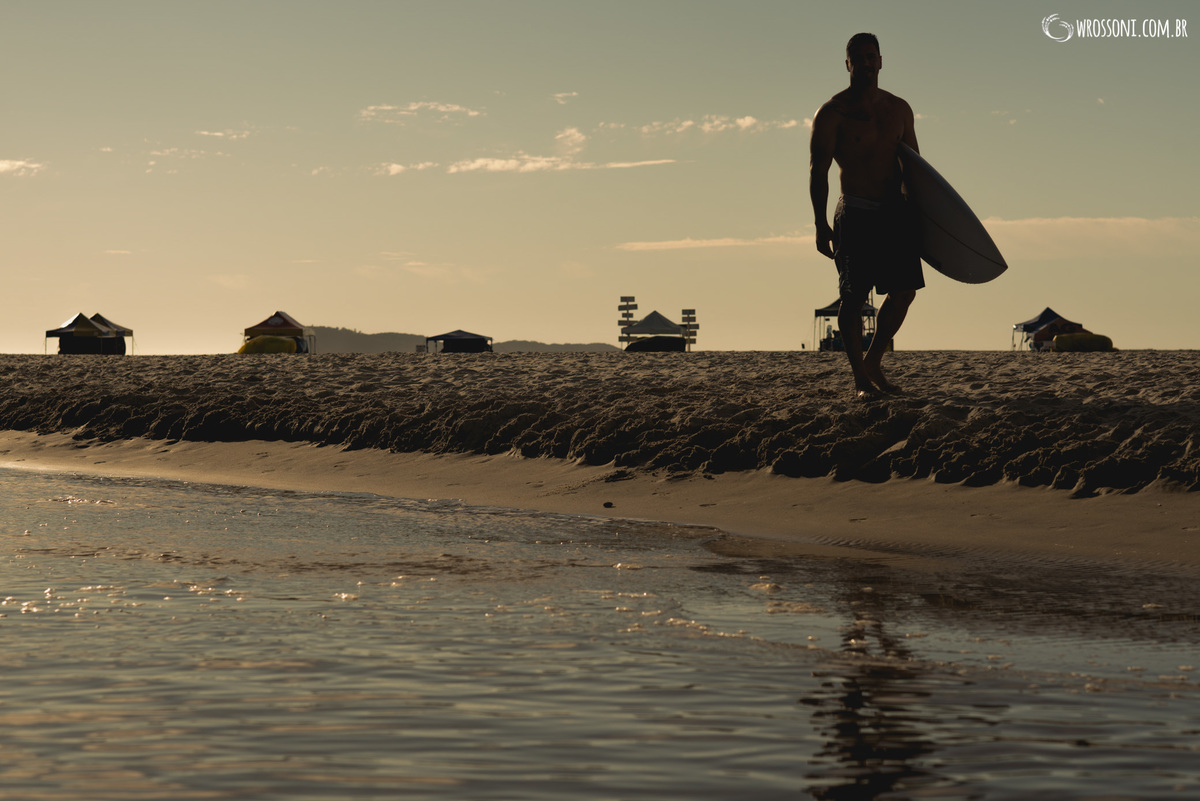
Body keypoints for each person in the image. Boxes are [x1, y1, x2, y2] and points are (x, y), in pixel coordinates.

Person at [809, 32, 922, 397]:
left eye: (871, 56)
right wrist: (820, 223)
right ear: (848, 64)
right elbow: (818, 172)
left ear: (881, 61)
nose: (866, 63)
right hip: (855, 213)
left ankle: (874, 361)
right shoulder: (831, 113)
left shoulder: (900, 109)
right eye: (858, 58)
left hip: (894, 214)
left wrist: (922, 214)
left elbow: (916, 167)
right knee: (853, 299)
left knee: (905, 292)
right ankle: (860, 379)